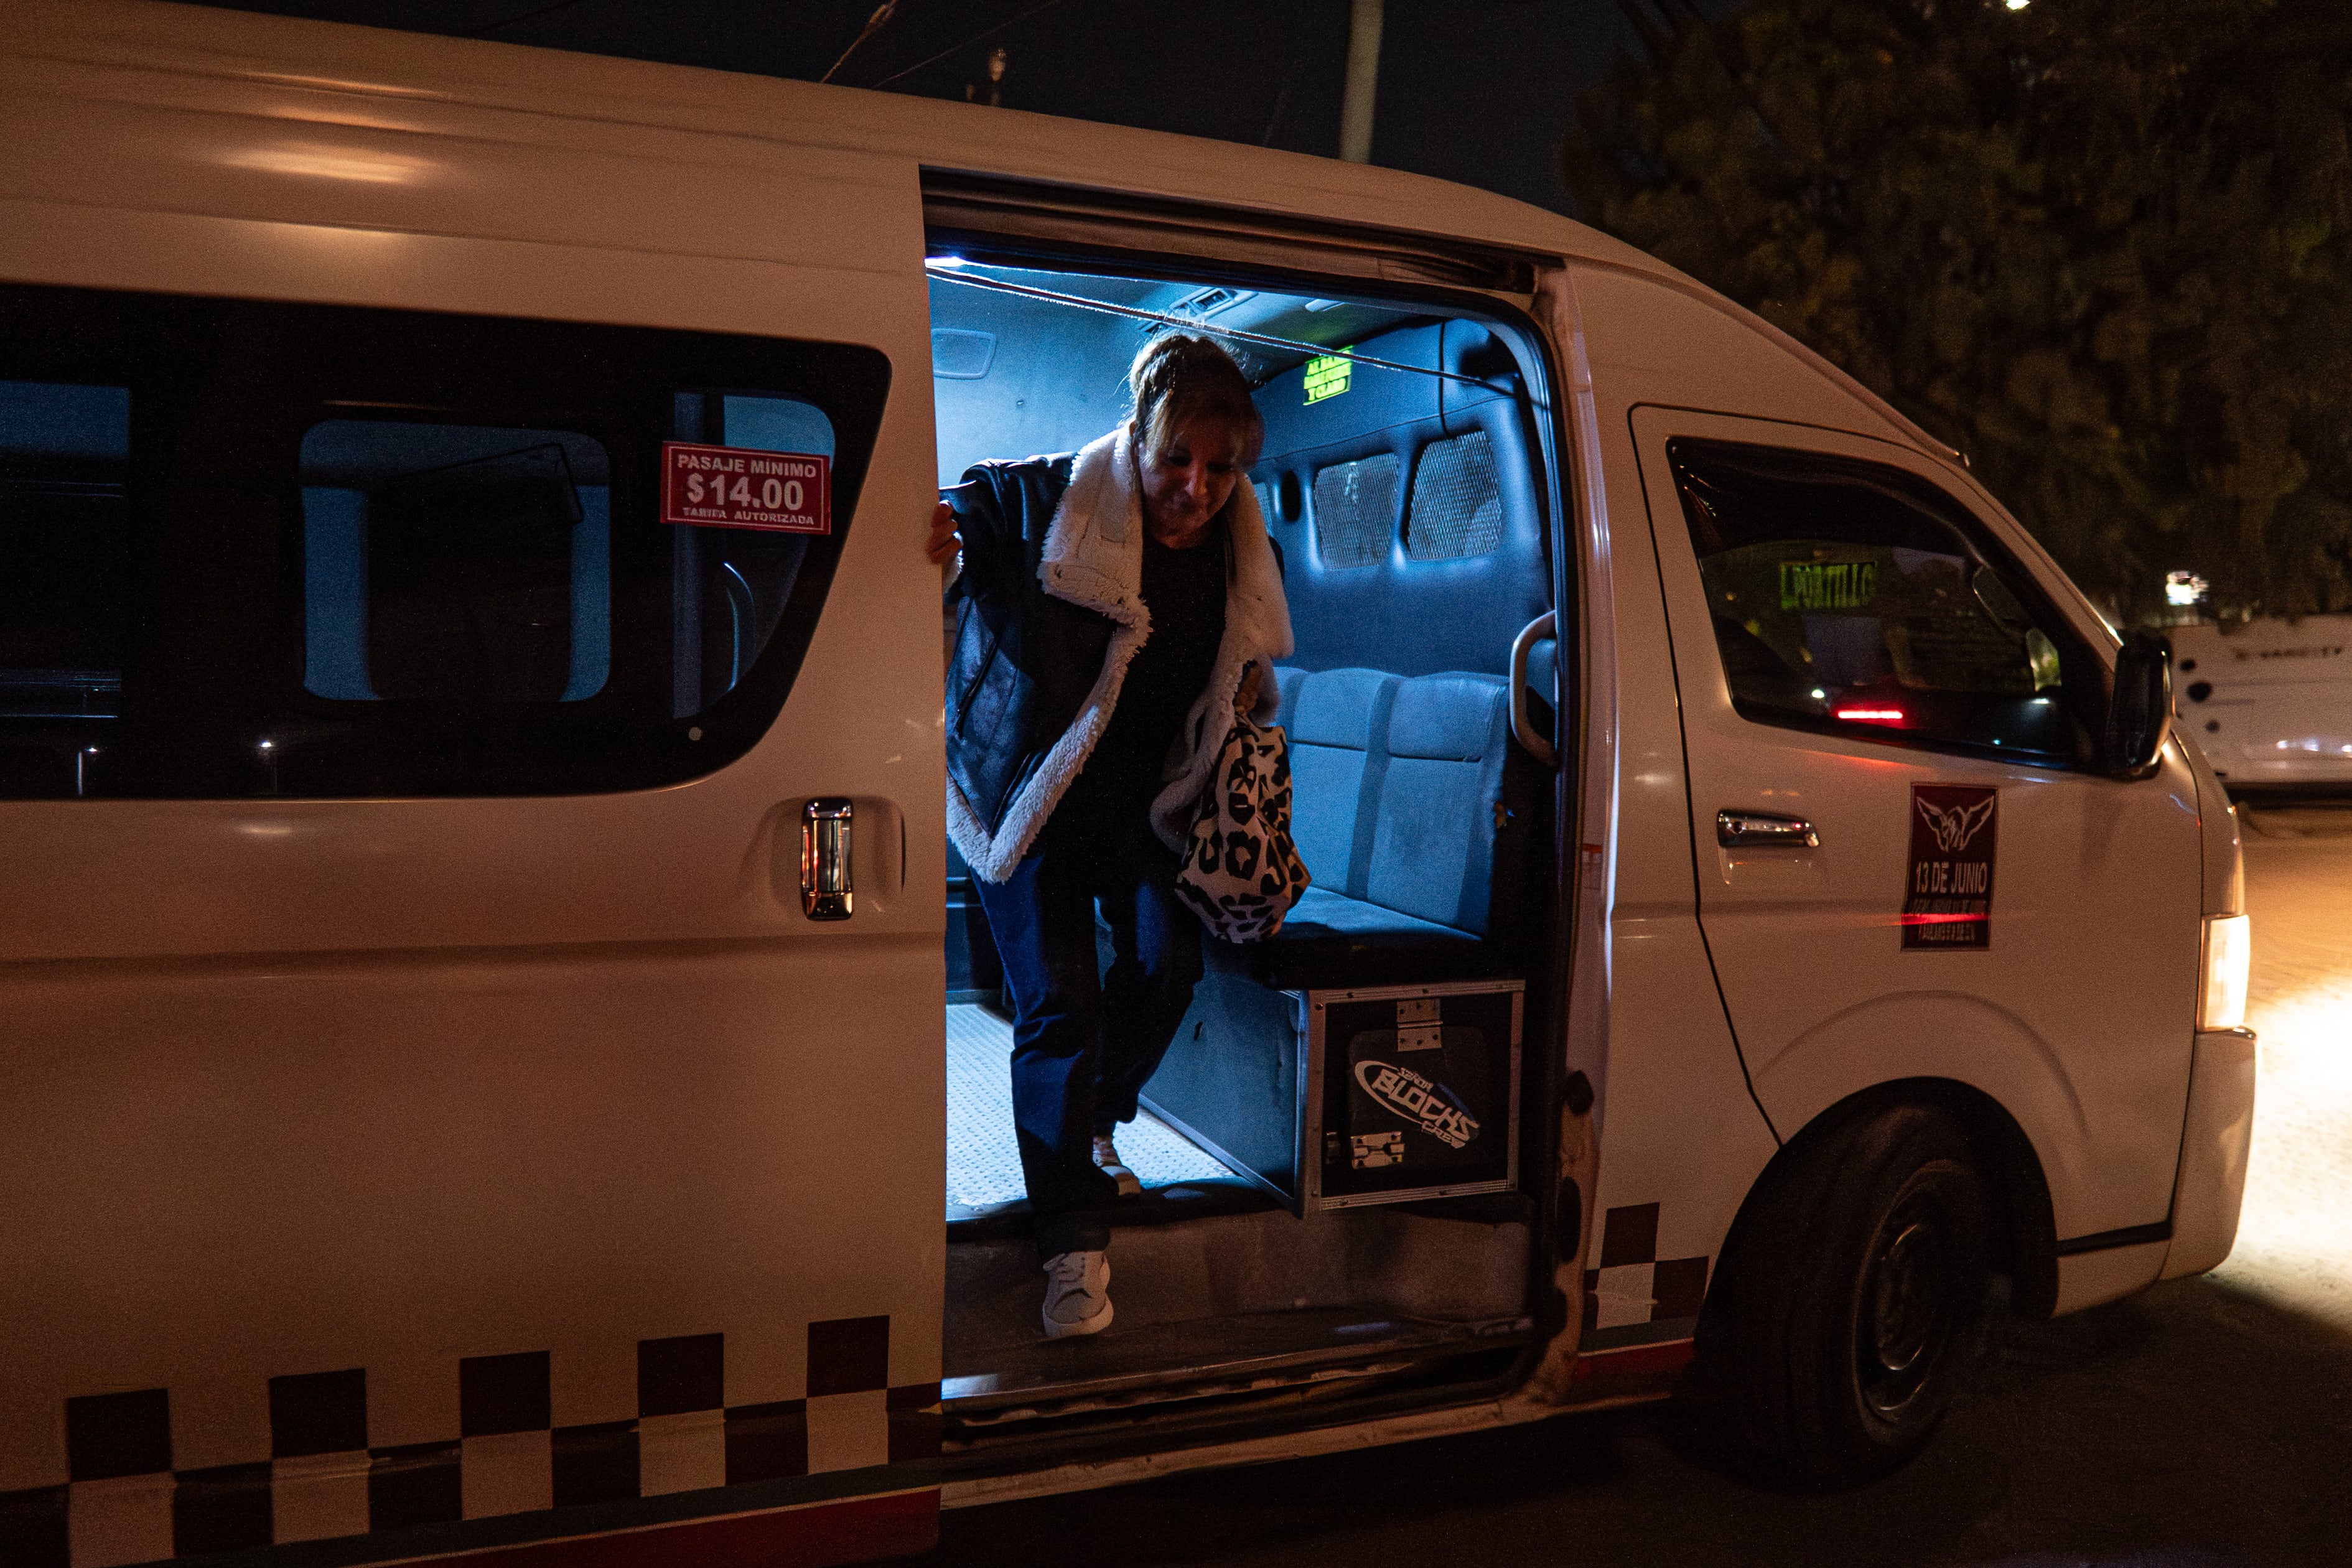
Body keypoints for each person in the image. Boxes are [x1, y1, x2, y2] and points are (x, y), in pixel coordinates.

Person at [927, 334, 1292, 1338]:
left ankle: (1094, 1119)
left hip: (1143, 808)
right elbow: (956, 521)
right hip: (1030, 801)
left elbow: (1241, 678)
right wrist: (930, 540)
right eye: (1177, 458)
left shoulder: (1239, 547)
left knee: (1168, 969)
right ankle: (1072, 1244)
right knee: (1060, 1010)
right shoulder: (1045, 500)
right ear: (1138, 437)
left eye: (1221, 468)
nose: (1196, 488)